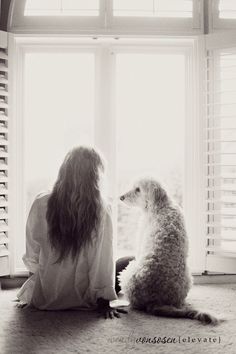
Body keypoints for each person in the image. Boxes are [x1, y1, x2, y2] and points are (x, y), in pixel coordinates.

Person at [17, 146, 129, 318]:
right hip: (84, 299)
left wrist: (35, 290)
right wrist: (104, 302)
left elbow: (32, 252)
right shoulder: (102, 209)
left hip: (47, 298)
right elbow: (102, 261)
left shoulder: (41, 202)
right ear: (96, 176)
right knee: (129, 261)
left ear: (64, 171)